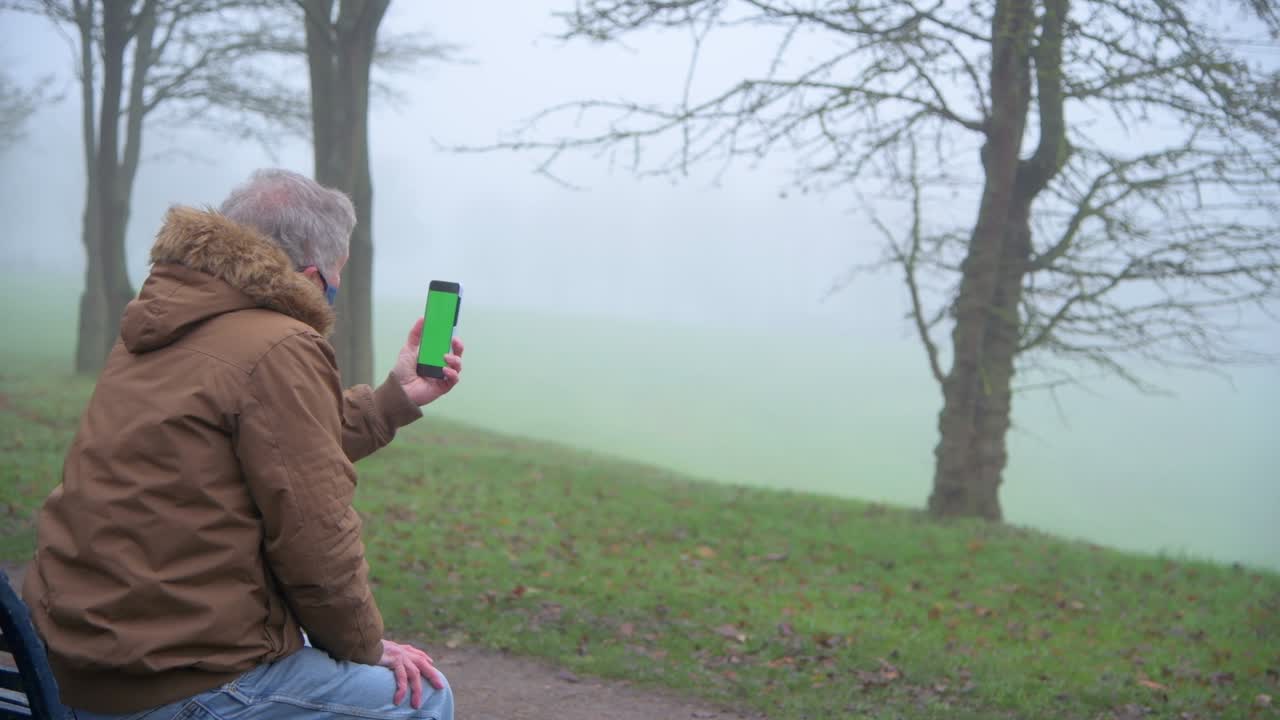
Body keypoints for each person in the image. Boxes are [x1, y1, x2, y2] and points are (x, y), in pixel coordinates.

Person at [21, 169, 460, 720]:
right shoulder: (279, 343)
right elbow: (317, 541)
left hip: (82, 656)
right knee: (421, 697)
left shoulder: (161, 322)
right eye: (337, 273)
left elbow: (279, 447)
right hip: (168, 678)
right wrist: (367, 650)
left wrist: (394, 399)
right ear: (310, 276)